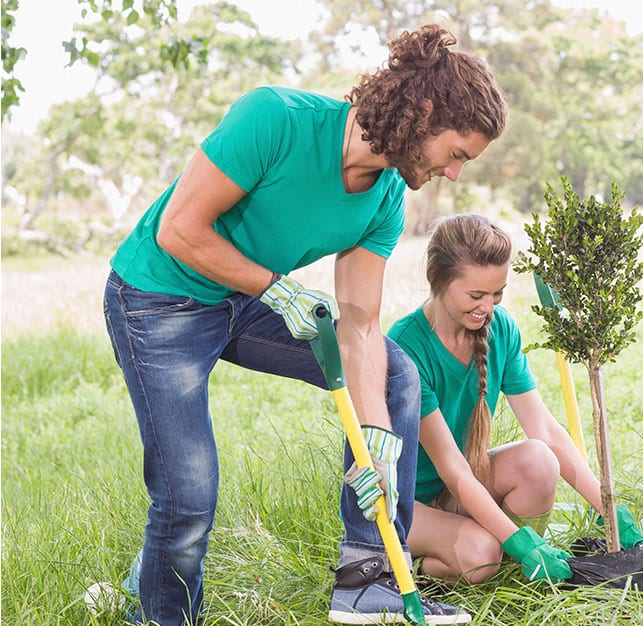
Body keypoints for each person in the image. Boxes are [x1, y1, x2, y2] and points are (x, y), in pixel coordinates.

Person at [102, 24, 506, 625]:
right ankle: (160, 612)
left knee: (396, 374)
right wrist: (275, 288)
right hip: (160, 299)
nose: (454, 175)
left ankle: (368, 578)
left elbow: (363, 327)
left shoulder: (387, 197)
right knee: (189, 491)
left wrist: (375, 439)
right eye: (457, 155)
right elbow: (179, 231)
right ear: (423, 114)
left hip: (247, 298)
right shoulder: (275, 120)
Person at [386, 214, 643, 585]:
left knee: (539, 460)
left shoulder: (500, 328)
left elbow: (545, 432)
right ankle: (415, 566)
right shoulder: (408, 345)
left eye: (497, 294)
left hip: (454, 493)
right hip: (404, 505)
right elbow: (454, 470)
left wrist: (607, 507)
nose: (488, 307)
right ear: (438, 280)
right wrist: (517, 541)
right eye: (476, 296)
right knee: (481, 556)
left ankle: (513, 565)